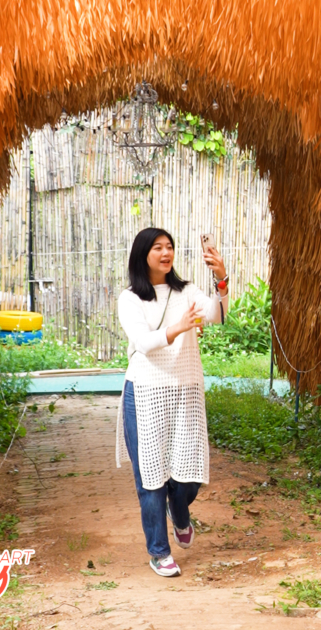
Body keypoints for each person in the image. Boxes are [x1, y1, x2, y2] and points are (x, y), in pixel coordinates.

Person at [116, 227, 229, 577]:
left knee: (186, 476)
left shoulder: (187, 291)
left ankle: (179, 512)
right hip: (145, 392)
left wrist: (221, 278)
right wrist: (179, 327)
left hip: (185, 391)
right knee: (150, 477)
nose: (166, 253)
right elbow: (144, 342)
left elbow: (216, 315)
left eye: (170, 247)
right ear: (142, 255)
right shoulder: (130, 298)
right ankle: (159, 551)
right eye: (157, 248)